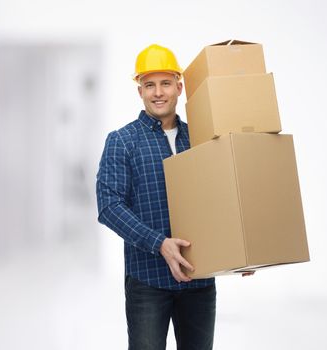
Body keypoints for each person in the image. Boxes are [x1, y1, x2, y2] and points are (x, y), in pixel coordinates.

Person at [96, 44, 216, 350]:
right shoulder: (122, 141)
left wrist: (240, 252)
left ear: (179, 86)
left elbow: (221, 197)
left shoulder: (201, 138)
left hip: (198, 279)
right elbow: (109, 205)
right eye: (149, 85)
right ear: (140, 91)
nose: (158, 92)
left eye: (165, 83)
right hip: (148, 282)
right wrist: (159, 243)